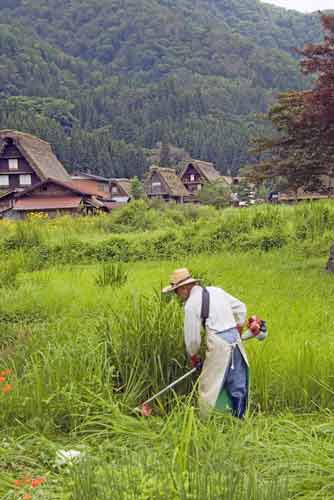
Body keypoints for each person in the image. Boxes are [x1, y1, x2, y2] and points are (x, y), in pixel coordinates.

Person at [163, 268, 252, 418]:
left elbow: (192, 340)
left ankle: (206, 423)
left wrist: (193, 356)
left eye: (176, 292)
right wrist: (237, 329)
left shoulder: (191, 304)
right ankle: (239, 419)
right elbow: (241, 308)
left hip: (219, 344)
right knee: (237, 382)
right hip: (235, 342)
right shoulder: (216, 291)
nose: (177, 296)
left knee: (208, 386)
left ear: (184, 288)